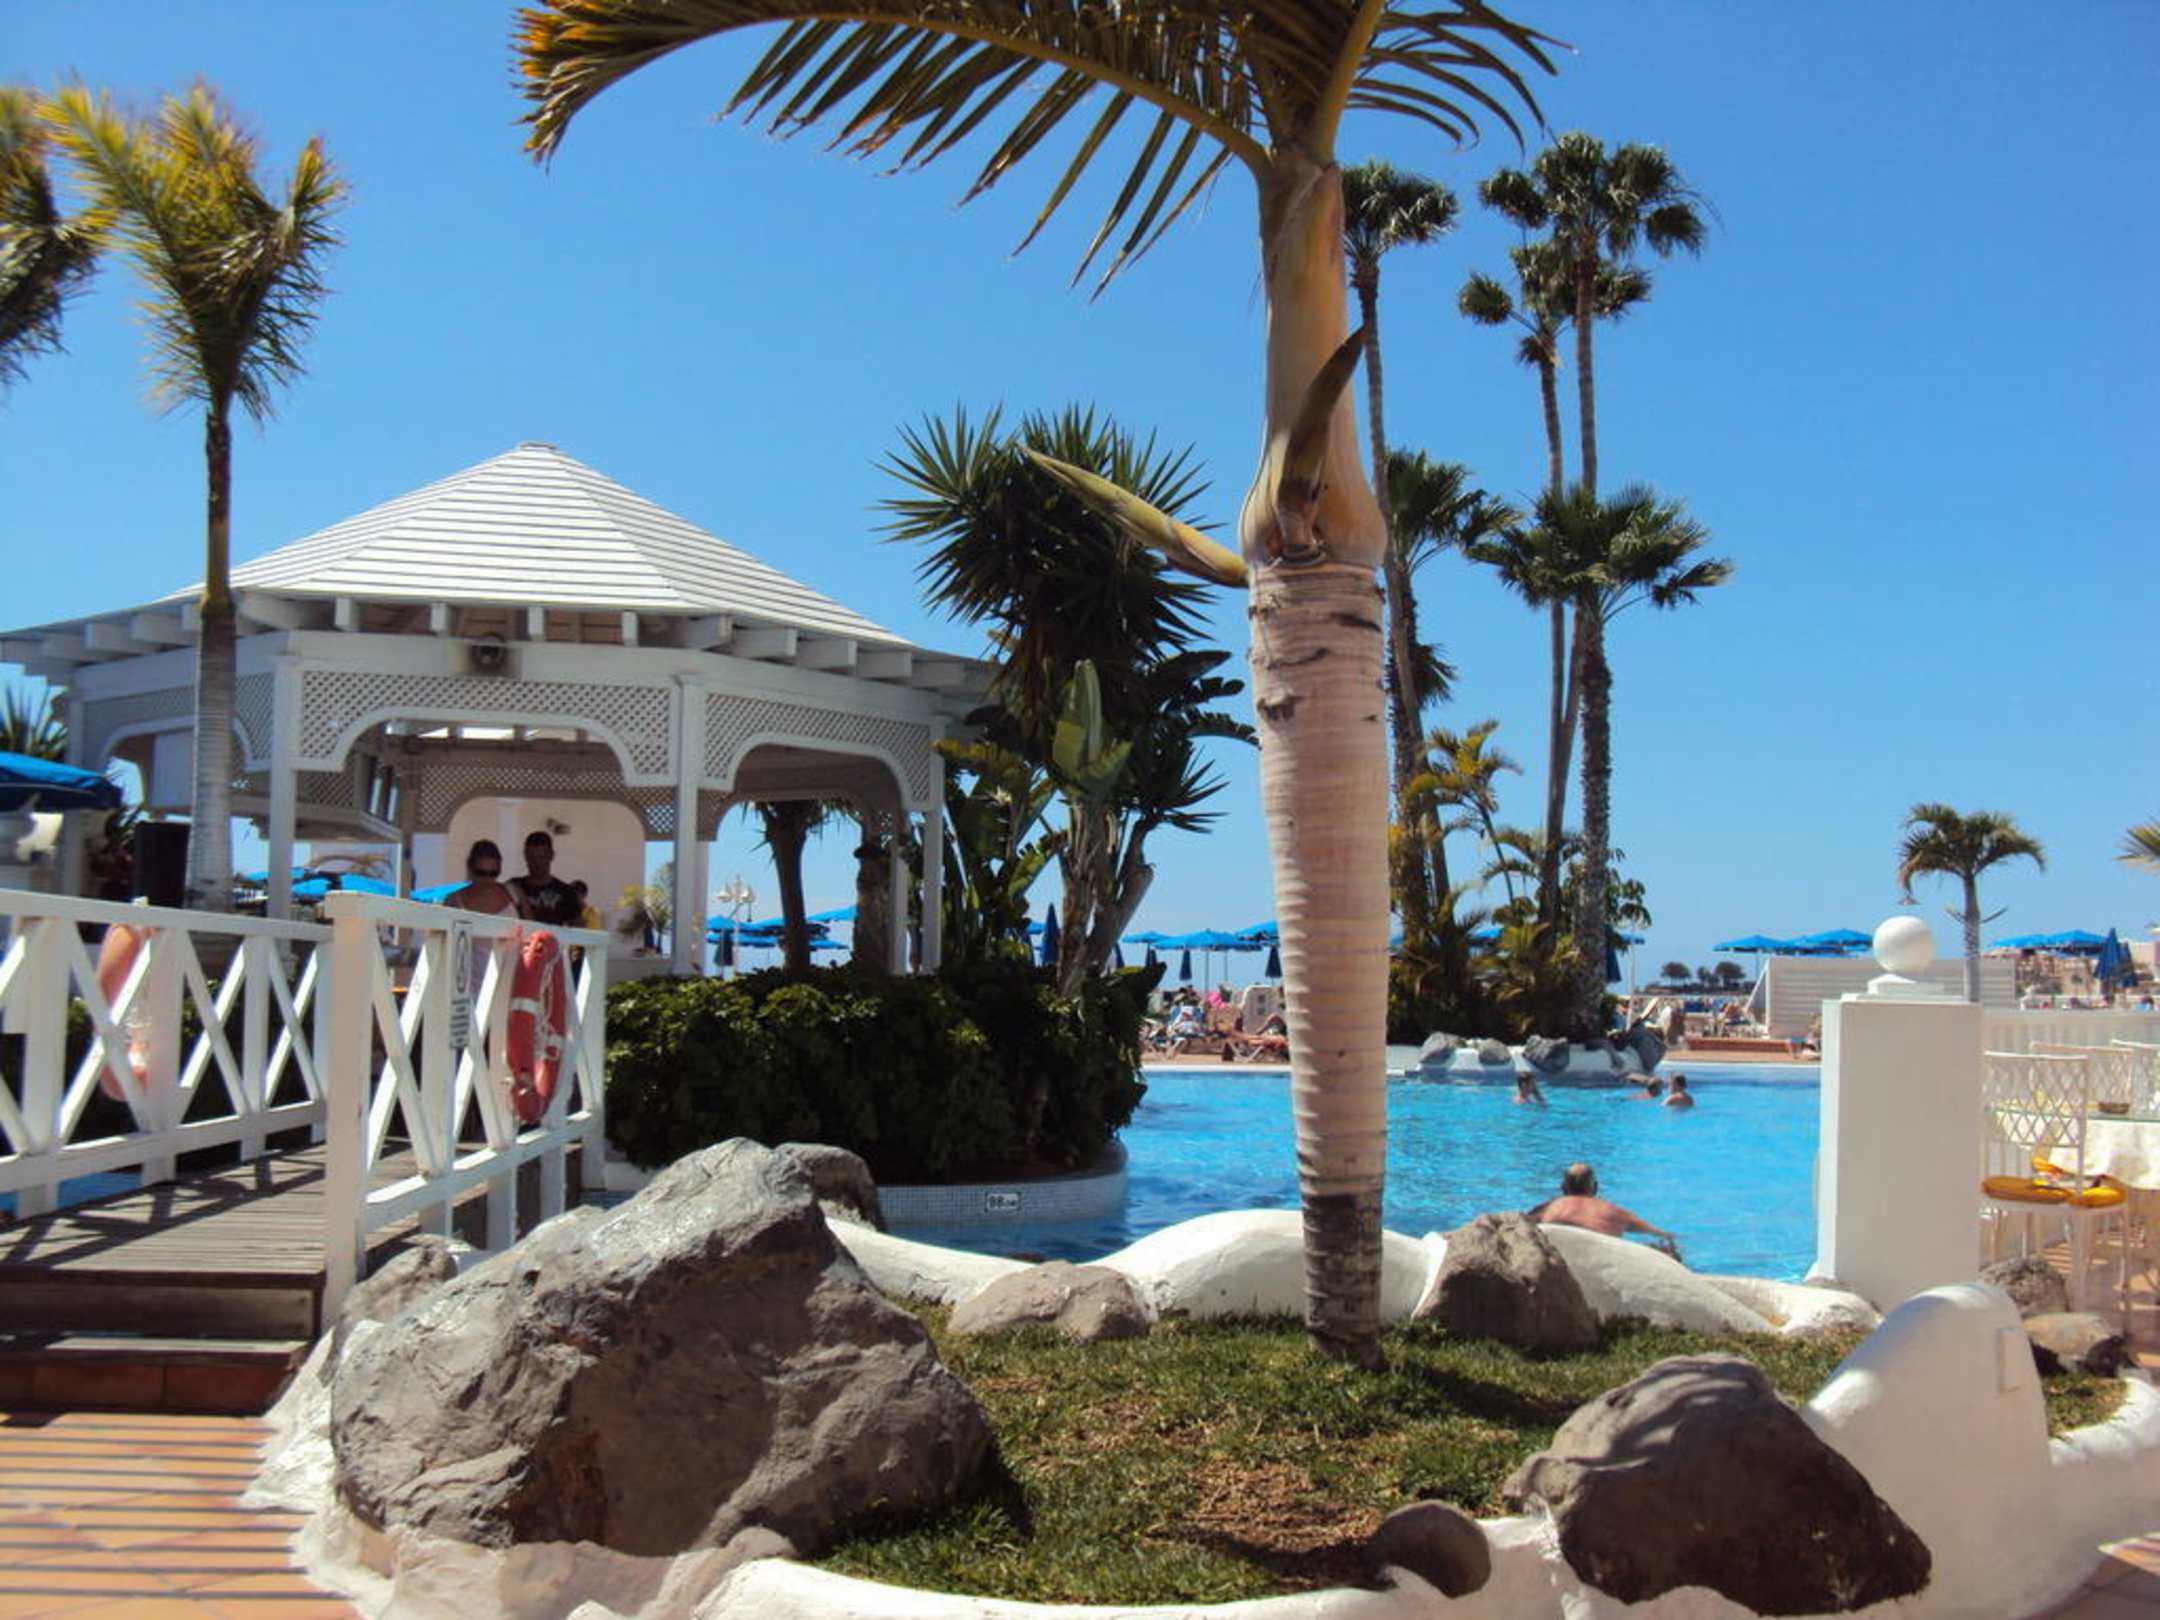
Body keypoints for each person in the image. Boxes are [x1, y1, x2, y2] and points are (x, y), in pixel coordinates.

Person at [1527, 1163, 1682, 1260]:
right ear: (1595, 1188)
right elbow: (1660, 1234)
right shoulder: (1616, 1212)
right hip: (1605, 1258)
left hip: (1562, 1260)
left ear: (1562, 1188)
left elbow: (1520, 1224)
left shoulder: (1548, 1208)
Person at [509, 831, 581, 925]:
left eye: (541, 857)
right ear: (525, 856)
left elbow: (577, 929)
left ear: (551, 855)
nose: (536, 862)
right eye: (531, 857)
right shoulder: (513, 887)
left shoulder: (567, 893)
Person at [447, 839, 517, 916]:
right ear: (470, 868)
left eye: (494, 873)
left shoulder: (513, 894)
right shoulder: (455, 900)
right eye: (481, 873)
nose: (487, 879)